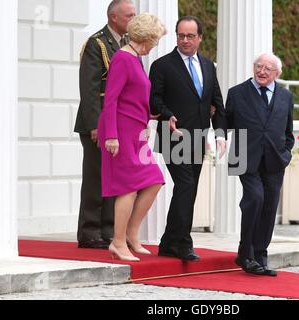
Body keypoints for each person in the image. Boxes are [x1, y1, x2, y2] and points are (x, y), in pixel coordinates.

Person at [149, 16, 227, 261]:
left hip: (198, 138)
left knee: (188, 191)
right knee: (185, 186)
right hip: (174, 136)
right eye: (181, 35)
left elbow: (216, 101)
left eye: (190, 36)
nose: (184, 40)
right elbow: (154, 100)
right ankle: (183, 242)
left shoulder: (207, 66)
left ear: (200, 38)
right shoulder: (162, 65)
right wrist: (169, 115)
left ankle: (168, 242)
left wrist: (221, 134)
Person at [97, 13, 167, 261]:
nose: (156, 44)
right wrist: (112, 136)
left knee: (154, 179)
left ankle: (131, 234)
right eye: (156, 40)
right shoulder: (122, 58)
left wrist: (148, 119)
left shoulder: (136, 59)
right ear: (147, 38)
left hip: (135, 132)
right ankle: (118, 242)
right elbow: (111, 100)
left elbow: (135, 97)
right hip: (120, 132)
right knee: (127, 187)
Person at [74, 0, 136, 249]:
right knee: (95, 177)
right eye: (129, 15)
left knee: (112, 177)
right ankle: (90, 231)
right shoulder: (97, 43)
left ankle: (108, 229)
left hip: (117, 123)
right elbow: (89, 90)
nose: (133, 19)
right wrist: (95, 126)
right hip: (98, 121)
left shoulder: (125, 44)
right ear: (113, 17)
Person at [225, 53, 294, 276]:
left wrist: (286, 154)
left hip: (275, 160)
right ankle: (246, 253)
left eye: (268, 68)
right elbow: (225, 125)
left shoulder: (286, 97)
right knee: (255, 198)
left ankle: (260, 257)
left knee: (269, 205)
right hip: (244, 156)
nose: (262, 71)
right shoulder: (236, 93)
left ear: (277, 73)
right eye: (258, 66)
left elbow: (288, 132)